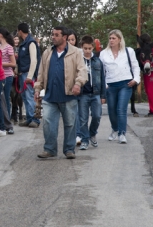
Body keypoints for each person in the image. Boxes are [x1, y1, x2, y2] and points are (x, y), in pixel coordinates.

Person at [34, 26, 88, 159]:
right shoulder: (47, 52)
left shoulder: (75, 52)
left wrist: (78, 84)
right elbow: (41, 73)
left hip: (68, 95)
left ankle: (69, 150)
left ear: (64, 37)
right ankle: (50, 149)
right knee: (48, 123)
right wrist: (37, 88)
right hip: (50, 96)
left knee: (70, 123)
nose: (53, 37)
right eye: (52, 34)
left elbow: (82, 71)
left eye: (56, 35)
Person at [99, 29, 140, 144]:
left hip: (125, 84)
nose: (111, 40)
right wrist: (105, 85)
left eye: (114, 38)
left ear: (119, 39)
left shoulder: (128, 51)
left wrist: (136, 79)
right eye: (110, 38)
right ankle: (115, 129)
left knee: (121, 109)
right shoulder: (104, 53)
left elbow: (135, 66)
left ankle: (122, 133)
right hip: (110, 85)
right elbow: (101, 72)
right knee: (111, 110)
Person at [76, 35, 106, 150]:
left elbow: (102, 78)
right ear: (81, 47)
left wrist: (103, 95)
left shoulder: (98, 61)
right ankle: (84, 140)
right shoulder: (78, 61)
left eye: (89, 48)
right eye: (85, 48)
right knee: (83, 119)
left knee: (97, 116)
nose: (87, 51)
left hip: (96, 93)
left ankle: (92, 133)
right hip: (83, 94)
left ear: (93, 47)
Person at [17, 23, 41, 127]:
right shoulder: (24, 43)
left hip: (28, 74)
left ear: (20, 31)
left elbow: (34, 61)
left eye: (18, 31)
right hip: (22, 73)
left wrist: (30, 76)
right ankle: (29, 117)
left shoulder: (31, 43)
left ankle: (35, 120)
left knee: (30, 96)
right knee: (25, 97)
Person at [0, 28, 17, 134]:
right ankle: (1, 123)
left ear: (0, 35)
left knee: (6, 99)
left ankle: (8, 125)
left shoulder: (9, 47)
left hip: (7, 76)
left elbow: (13, 64)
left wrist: (0, 63)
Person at [10, 34, 24, 124]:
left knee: (19, 95)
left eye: (17, 39)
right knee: (12, 95)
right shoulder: (10, 49)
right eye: (14, 39)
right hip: (12, 74)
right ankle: (13, 113)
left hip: (19, 74)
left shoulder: (21, 49)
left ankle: (20, 113)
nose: (16, 41)